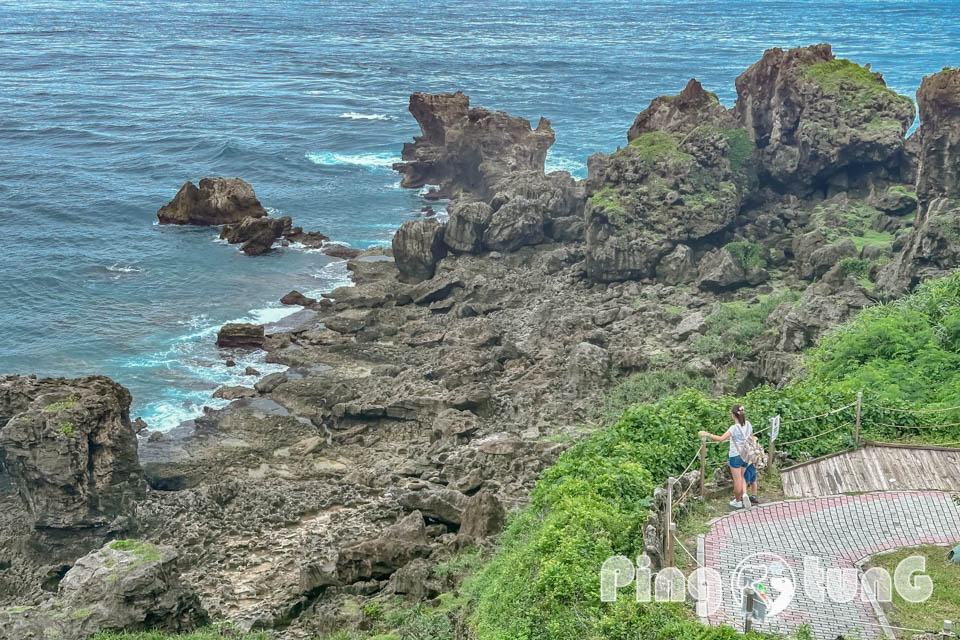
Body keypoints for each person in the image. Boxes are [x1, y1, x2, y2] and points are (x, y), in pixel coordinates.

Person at [698, 405, 757, 509]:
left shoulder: (734, 428)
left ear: (734, 415)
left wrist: (708, 434)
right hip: (746, 454)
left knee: (737, 480)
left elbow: (721, 439)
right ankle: (744, 494)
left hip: (735, 456)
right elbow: (752, 437)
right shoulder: (748, 424)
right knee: (742, 477)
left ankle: (738, 501)